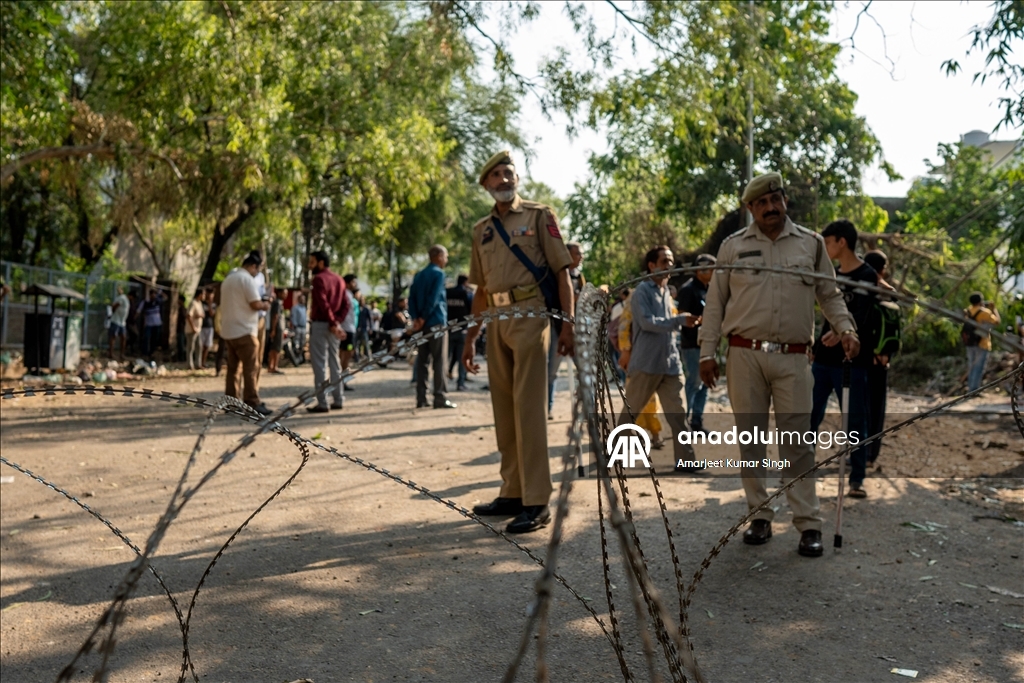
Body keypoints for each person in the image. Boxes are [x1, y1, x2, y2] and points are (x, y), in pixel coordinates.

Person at [698, 172, 858, 558]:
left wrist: (846, 328)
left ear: (785, 200)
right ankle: (760, 515)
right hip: (744, 354)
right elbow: (716, 303)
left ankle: (808, 524)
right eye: (762, 203)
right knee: (750, 440)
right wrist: (707, 352)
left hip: (793, 356)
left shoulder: (812, 244)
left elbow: (829, 293)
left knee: (797, 442)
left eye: (777, 200)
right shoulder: (732, 247)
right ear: (751, 208)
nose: (771, 207)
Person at [462, 150, 575, 534]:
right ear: (486, 185)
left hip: (530, 315)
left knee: (528, 409)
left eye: (508, 173)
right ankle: (512, 490)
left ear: (517, 178)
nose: (503, 179)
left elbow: (563, 273)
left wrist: (568, 326)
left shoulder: (539, 215)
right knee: (504, 410)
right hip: (495, 320)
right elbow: (480, 288)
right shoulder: (482, 230)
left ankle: (537, 501)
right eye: (495, 175)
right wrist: (471, 334)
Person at [809, 220, 876, 499]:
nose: (824, 249)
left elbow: (860, 315)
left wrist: (843, 332)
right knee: (810, 414)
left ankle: (856, 479)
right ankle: (801, 468)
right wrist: (816, 343)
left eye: (827, 243)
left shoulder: (867, 276)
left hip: (851, 360)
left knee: (854, 420)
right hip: (823, 359)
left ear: (841, 242)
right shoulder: (832, 274)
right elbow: (826, 313)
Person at [616, 246, 699, 467]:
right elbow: (647, 322)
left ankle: (686, 461)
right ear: (652, 265)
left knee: (678, 415)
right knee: (631, 413)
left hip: (669, 364)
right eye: (664, 261)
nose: (669, 266)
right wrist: (680, 320)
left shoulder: (666, 292)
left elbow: (670, 323)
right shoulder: (642, 291)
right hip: (646, 364)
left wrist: (683, 321)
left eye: (671, 261)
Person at [219, 252, 272, 415]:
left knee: (233, 369)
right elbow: (255, 303)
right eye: (258, 269)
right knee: (251, 367)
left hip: (229, 330)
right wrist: (265, 304)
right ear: (253, 266)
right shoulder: (246, 279)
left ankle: (231, 402)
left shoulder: (228, 279)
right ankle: (252, 401)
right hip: (245, 330)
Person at [410, 245, 456, 409]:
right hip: (435, 322)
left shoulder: (419, 275)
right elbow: (434, 298)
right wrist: (424, 317)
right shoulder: (439, 274)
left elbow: (412, 297)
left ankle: (421, 398)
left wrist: (416, 318)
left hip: (421, 326)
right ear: (437, 257)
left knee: (422, 361)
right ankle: (440, 397)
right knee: (439, 361)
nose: (446, 259)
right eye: (445, 256)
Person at [862, 250, 895, 467]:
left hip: (864, 358)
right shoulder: (890, 293)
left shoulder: (864, 289)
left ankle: (862, 453)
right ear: (883, 269)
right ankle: (870, 455)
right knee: (875, 409)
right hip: (881, 360)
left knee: (861, 409)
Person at [676, 254, 715, 433]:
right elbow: (681, 317)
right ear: (701, 269)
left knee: (706, 382)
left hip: (707, 343)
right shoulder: (688, 290)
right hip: (691, 344)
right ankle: (683, 423)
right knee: (693, 381)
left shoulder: (711, 289)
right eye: (711, 268)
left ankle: (697, 421)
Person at [548, 241, 586, 419]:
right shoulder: (555, 275)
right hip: (556, 328)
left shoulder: (579, 277)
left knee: (585, 370)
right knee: (551, 372)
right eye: (577, 253)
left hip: (577, 329)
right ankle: (546, 408)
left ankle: (589, 409)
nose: (581, 257)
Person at [307, 251, 348, 413]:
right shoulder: (339, 280)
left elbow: (323, 304)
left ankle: (322, 403)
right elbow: (346, 305)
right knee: (335, 363)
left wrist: (332, 322)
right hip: (334, 326)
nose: (310, 265)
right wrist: (336, 322)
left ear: (321, 263)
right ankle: (339, 399)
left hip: (320, 325)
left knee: (319, 365)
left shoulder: (318, 280)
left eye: (312, 262)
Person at [963, 292, 1001, 392]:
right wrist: (994, 309)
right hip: (982, 343)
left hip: (970, 342)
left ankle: (970, 388)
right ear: (980, 301)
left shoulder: (968, 310)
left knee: (971, 365)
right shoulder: (985, 312)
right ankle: (974, 390)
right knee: (978, 367)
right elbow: (997, 322)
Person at [446, 275, 474, 391]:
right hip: (463, 329)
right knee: (463, 357)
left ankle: (442, 384)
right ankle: (460, 383)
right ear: (465, 282)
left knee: (445, 358)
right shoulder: (467, 294)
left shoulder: (447, 292)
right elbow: (473, 311)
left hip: (448, 329)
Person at [340, 274, 359, 385]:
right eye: (353, 282)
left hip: (350, 329)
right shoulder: (345, 295)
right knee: (346, 356)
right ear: (347, 283)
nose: (355, 284)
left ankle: (342, 380)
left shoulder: (349, 295)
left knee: (346, 355)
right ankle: (343, 381)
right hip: (347, 330)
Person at [136, 288, 164, 359]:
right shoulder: (145, 302)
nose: (153, 296)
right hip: (148, 324)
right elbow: (138, 311)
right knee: (146, 338)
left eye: (154, 294)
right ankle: (145, 353)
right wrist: (134, 318)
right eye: (152, 295)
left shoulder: (158, 301)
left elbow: (166, 298)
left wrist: (160, 293)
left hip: (157, 324)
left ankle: (151, 353)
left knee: (154, 339)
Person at [266, 288, 285, 374]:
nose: (286, 295)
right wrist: (273, 329)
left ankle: (271, 366)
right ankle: (274, 366)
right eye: (284, 293)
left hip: (276, 327)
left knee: (273, 347)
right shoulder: (278, 303)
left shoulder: (276, 302)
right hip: (277, 328)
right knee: (276, 348)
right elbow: (275, 316)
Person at [185, 289, 205, 370]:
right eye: (203, 294)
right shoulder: (193, 303)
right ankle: (190, 365)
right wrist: (193, 327)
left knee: (199, 346)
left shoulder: (199, 303)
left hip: (198, 329)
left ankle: (198, 364)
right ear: (200, 294)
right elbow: (189, 316)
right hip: (192, 329)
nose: (204, 296)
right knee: (190, 348)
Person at [109, 286, 130, 361]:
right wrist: (113, 313)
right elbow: (114, 306)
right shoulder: (122, 298)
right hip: (116, 320)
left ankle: (122, 354)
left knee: (123, 337)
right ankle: (111, 353)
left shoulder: (126, 299)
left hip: (122, 322)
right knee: (113, 336)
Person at [199, 287, 215, 370]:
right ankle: (198, 362)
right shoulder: (201, 303)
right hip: (201, 327)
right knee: (200, 346)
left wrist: (210, 304)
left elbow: (212, 314)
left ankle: (203, 362)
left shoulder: (214, 305)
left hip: (209, 327)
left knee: (207, 346)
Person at [290, 293, 308, 363]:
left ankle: (300, 358)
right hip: (297, 328)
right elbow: (293, 317)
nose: (303, 300)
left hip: (303, 328)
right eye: (302, 299)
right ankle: (295, 358)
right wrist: (295, 326)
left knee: (302, 344)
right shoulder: (295, 308)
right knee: (296, 344)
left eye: (304, 299)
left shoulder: (304, 308)